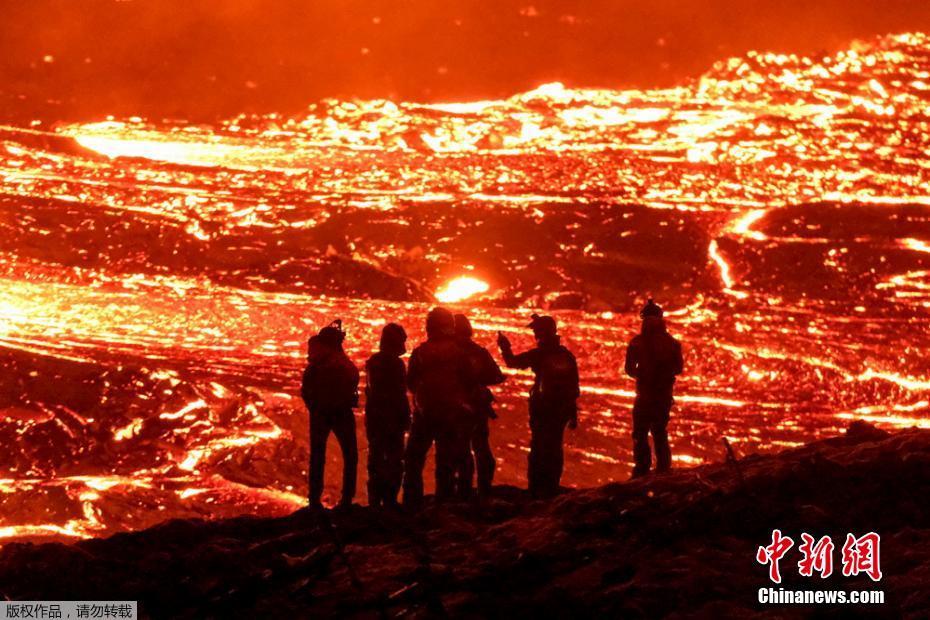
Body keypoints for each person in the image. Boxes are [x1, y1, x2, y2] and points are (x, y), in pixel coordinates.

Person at [497, 314, 580, 498]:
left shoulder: (539, 355)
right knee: (555, 447)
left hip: (542, 409)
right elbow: (574, 386)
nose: (535, 334)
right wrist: (572, 413)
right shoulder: (567, 356)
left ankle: (536, 488)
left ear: (542, 333)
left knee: (539, 448)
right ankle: (552, 486)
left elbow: (512, 362)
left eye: (536, 331)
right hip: (561, 410)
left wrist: (504, 346)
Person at [403, 307, 473, 507]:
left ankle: (412, 504)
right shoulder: (459, 354)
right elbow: (469, 382)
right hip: (450, 414)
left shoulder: (420, 353)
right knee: (446, 463)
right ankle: (443, 504)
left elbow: (410, 383)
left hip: (424, 413)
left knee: (413, 461)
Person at [301, 320, 360, 510]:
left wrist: (315, 407)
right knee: (350, 455)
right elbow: (352, 380)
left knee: (318, 456)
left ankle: (314, 500)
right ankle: (346, 499)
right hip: (341, 413)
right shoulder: (341, 362)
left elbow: (306, 390)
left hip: (320, 414)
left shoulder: (316, 364)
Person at [624, 299, 684, 478]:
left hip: (644, 395)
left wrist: (643, 376)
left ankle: (642, 469)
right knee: (659, 431)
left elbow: (629, 369)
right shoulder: (672, 343)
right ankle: (663, 468)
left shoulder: (636, 343)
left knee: (640, 432)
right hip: (663, 395)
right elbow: (678, 369)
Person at [454, 313, 505, 499]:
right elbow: (497, 376)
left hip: (458, 406)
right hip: (478, 406)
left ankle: (464, 491)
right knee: (481, 447)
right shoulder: (479, 352)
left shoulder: (450, 353)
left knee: (461, 449)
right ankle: (484, 489)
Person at [364, 323, 410, 508]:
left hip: (376, 418)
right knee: (393, 459)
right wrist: (405, 417)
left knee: (376, 458)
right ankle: (389, 500)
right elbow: (399, 394)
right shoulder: (395, 364)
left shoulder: (373, 362)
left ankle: (375, 501)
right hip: (391, 418)